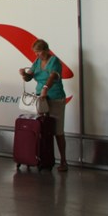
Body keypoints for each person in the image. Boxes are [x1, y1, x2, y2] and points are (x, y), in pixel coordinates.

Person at [21, 38, 69, 171]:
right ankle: (43, 158)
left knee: (58, 130)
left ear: (47, 50)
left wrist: (46, 88)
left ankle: (63, 161)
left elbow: (53, 76)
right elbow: (29, 77)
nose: (37, 55)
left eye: (39, 52)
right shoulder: (37, 62)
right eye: (35, 52)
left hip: (55, 97)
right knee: (42, 129)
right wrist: (23, 74)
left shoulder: (54, 61)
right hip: (41, 99)